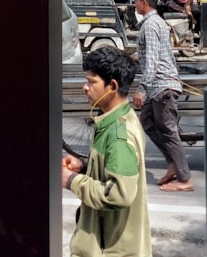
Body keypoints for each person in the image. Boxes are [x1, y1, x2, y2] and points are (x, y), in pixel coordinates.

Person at [61, 46, 151, 257]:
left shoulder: (119, 134)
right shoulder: (118, 120)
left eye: (92, 82)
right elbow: (110, 171)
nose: (85, 87)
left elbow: (119, 194)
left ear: (112, 86)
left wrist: (72, 180)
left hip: (110, 250)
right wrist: (84, 168)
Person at [130, 0, 194, 192]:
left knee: (168, 131)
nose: (134, 4)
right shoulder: (155, 23)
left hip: (162, 85)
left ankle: (185, 179)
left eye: (136, 1)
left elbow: (153, 61)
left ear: (144, 3)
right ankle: (172, 163)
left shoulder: (150, 26)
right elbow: (152, 53)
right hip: (157, 86)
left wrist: (141, 88)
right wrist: (135, 56)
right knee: (147, 123)